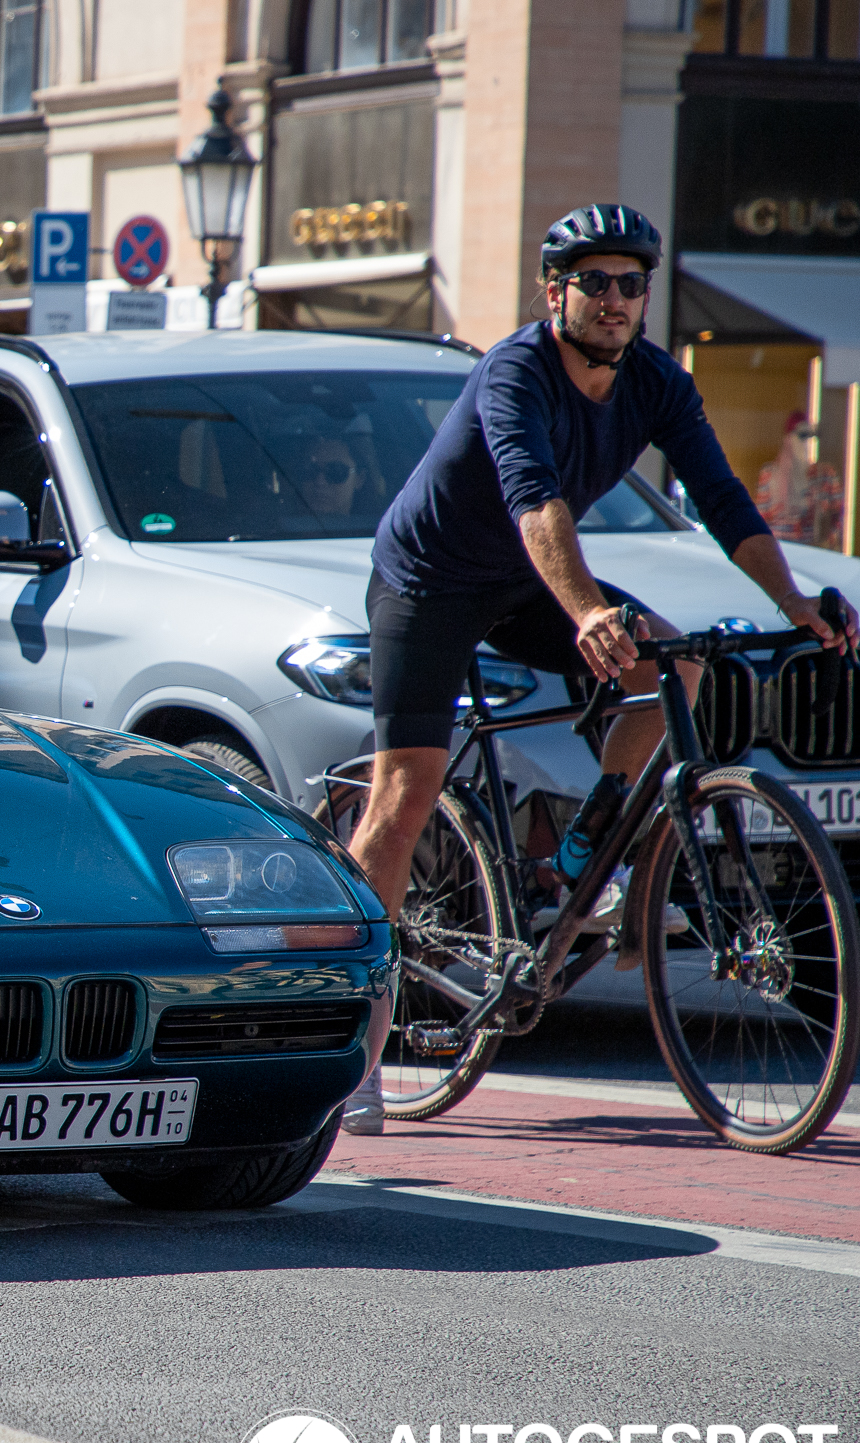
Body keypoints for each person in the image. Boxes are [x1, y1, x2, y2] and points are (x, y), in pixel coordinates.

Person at [348, 204, 854, 950]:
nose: (614, 298)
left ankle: (592, 843)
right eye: (593, 280)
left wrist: (792, 598)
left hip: (524, 583)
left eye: (631, 282)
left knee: (671, 663)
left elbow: (721, 499)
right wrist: (588, 612)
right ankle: (352, 1006)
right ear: (555, 291)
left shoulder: (657, 381)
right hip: (431, 581)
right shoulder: (516, 372)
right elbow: (537, 502)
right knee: (406, 791)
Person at [757, 411, 845, 548]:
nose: (806, 442)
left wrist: (829, 544)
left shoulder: (825, 474)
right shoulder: (769, 474)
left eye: (810, 436)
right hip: (780, 548)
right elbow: (761, 518)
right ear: (789, 438)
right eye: (802, 436)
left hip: (812, 548)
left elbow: (838, 514)